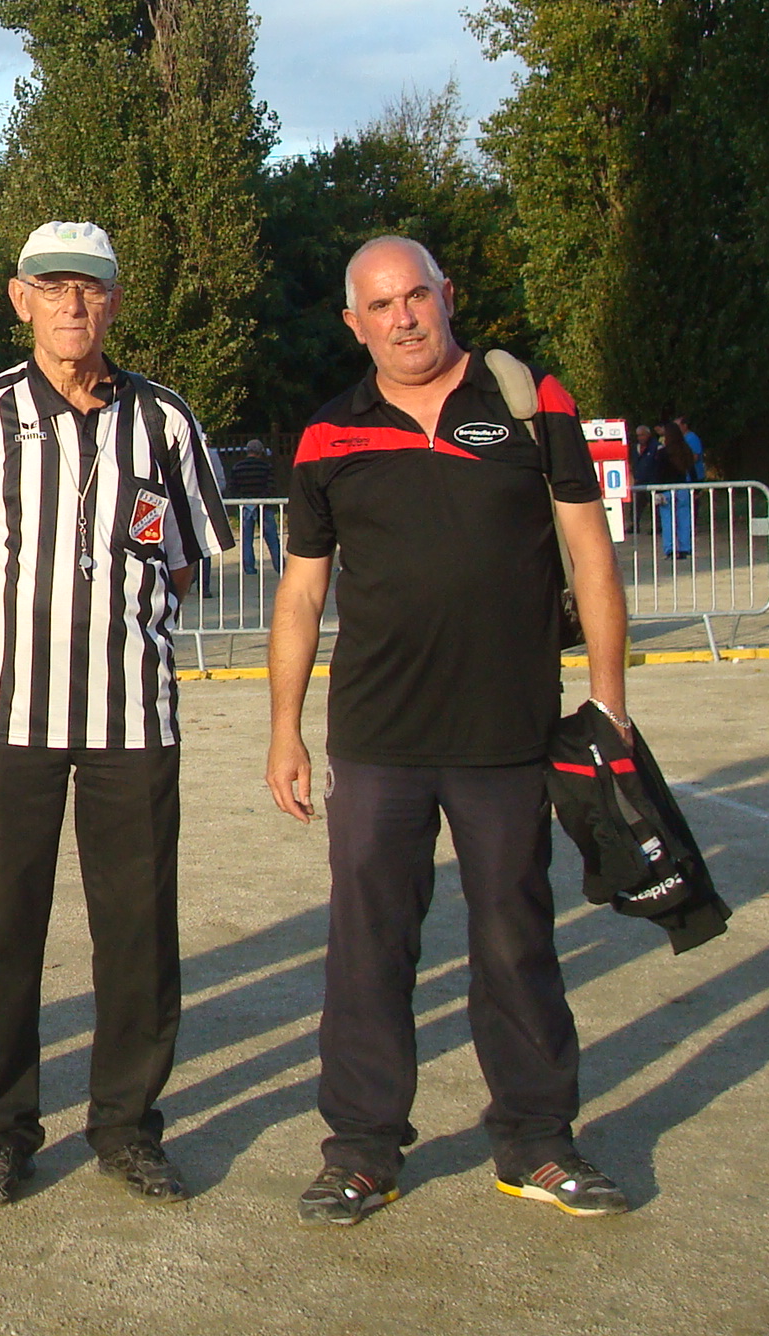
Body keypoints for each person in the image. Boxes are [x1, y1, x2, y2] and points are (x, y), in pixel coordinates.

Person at [266, 235, 633, 1227]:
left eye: (415, 297)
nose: (403, 319)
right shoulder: (327, 436)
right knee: (369, 948)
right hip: (379, 740)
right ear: (355, 324)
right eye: (379, 307)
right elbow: (301, 597)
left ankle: (539, 1143)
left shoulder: (530, 401)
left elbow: (589, 555)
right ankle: (362, 1151)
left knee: (517, 941)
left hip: (508, 735)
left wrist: (609, 699)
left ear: (446, 295)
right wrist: (285, 731)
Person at [0, 220, 233, 1209]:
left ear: (115, 302)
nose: (73, 306)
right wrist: (12, 631)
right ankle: (2, 1132)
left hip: (133, 717)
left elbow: (180, 559)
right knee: (4, 930)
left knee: (136, 932)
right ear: (22, 299)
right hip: (9, 714)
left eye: (90, 289)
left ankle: (128, 1127)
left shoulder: (166, 423)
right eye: (54, 288)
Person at [222, 437, 283, 576]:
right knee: (272, 537)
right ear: (261, 452)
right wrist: (261, 497)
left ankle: (249, 568)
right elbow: (271, 485)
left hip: (245, 505)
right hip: (264, 505)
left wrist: (244, 498)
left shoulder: (238, 467)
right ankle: (279, 565)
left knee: (246, 538)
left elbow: (232, 487)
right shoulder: (266, 467)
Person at [651, 415, 697, 558]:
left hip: (666, 489)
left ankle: (670, 549)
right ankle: (685, 547)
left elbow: (658, 473)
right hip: (683, 488)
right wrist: (696, 488)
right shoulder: (685, 450)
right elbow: (692, 470)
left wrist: (657, 490)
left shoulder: (662, 453)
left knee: (667, 519)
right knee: (684, 518)